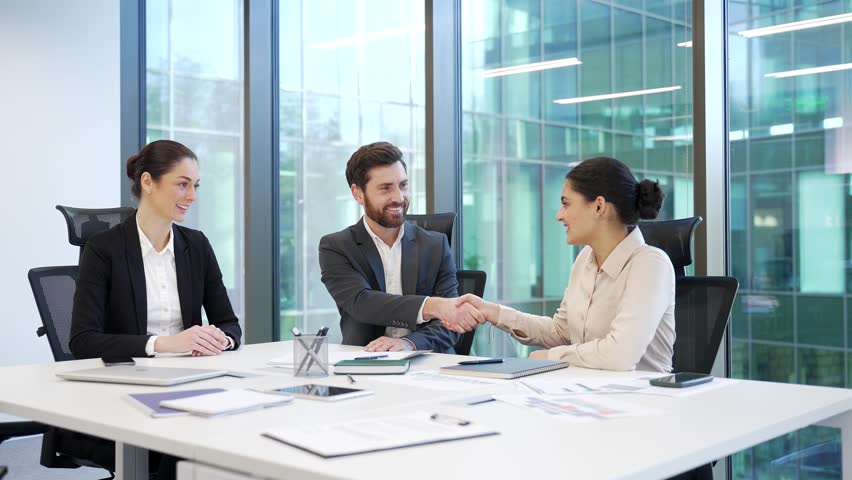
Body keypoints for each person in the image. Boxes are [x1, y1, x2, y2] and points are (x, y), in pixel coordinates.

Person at [453, 157, 675, 372]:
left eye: (566, 204)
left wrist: (552, 357)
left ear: (599, 207)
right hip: (588, 393)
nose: (559, 216)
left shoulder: (651, 265)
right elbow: (561, 332)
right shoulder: (585, 259)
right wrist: (495, 313)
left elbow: (620, 354)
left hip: (644, 400)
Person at [70, 139, 242, 360]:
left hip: (192, 372)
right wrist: (165, 344)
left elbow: (228, 323)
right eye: (182, 184)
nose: (192, 196)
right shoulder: (103, 249)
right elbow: (83, 341)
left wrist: (221, 340)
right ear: (148, 182)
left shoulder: (197, 245)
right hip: (130, 377)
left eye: (195, 185)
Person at [318, 141, 482, 353]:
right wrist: (433, 306)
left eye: (403, 185)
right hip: (364, 364)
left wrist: (408, 343)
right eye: (386, 188)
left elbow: (449, 324)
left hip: (428, 364)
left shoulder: (435, 245)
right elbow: (362, 303)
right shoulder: (337, 247)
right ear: (358, 194)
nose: (399, 197)